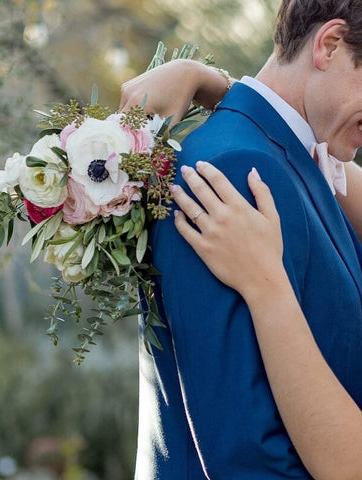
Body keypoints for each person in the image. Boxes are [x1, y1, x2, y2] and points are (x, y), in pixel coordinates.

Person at [120, 2, 362, 479]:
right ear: (329, 45)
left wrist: (218, 86)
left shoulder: (284, 162)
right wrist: (222, 89)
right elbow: (243, 455)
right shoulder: (235, 171)